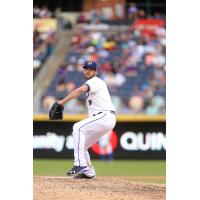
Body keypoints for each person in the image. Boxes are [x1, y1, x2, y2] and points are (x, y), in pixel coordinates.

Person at [57, 61, 116, 179]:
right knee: (81, 144)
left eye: (91, 69)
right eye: (86, 68)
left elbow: (79, 90)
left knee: (77, 127)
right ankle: (89, 172)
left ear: (95, 71)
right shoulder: (92, 83)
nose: (88, 71)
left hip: (105, 116)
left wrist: (61, 103)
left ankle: (80, 165)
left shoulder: (95, 81)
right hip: (103, 118)